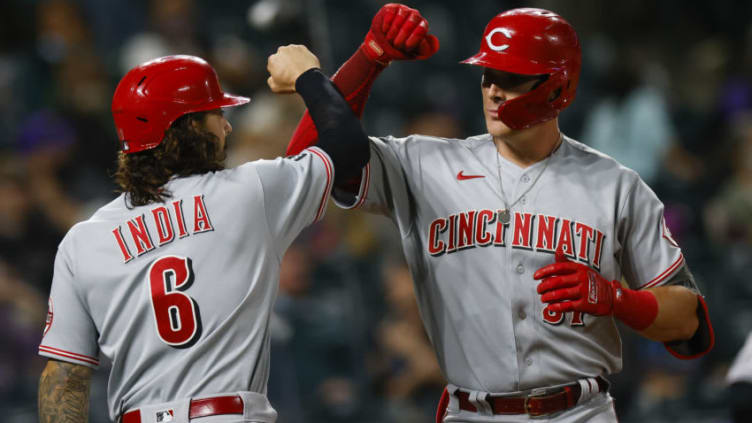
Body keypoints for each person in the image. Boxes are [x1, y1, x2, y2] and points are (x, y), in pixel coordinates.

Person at [286, 5, 715, 422]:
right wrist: (370, 58)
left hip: (580, 412)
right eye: (488, 74)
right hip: (471, 412)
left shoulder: (615, 185)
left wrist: (617, 298)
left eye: (511, 78)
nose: (493, 89)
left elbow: (687, 320)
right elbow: (305, 164)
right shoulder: (422, 163)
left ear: (558, 87)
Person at [37, 46, 370, 423]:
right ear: (190, 126)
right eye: (216, 114)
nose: (227, 125)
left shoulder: (83, 239)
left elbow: (65, 379)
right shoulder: (248, 191)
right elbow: (349, 148)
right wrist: (308, 76)